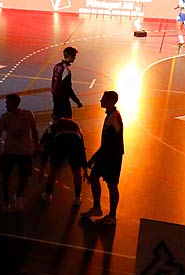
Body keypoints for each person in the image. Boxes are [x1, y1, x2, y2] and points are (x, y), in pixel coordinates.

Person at [0, 92, 40, 212]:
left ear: (15, 104)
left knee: (24, 178)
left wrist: (36, 147)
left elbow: (34, 131)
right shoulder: (5, 117)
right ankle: (6, 200)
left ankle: (18, 196)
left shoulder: (28, 115)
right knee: (5, 178)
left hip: (24, 152)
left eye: (8, 104)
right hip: (9, 152)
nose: (6, 106)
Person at [84, 90, 125, 224]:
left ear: (110, 101)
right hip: (106, 154)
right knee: (94, 177)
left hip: (112, 156)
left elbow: (109, 143)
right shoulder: (110, 116)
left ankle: (112, 216)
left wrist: (94, 158)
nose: (100, 101)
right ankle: (97, 208)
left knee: (112, 184)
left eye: (103, 98)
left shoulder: (114, 118)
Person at [39, 115, 87, 208]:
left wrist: (42, 168)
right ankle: (77, 198)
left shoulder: (52, 126)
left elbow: (47, 148)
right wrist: (85, 169)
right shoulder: (76, 125)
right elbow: (81, 148)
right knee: (77, 172)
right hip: (75, 141)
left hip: (59, 141)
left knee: (54, 171)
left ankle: (48, 196)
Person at [50, 47, 82, 120]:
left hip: (55, 98)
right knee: (68, 120)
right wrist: (77, 101)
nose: (75, 58)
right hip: (63, 100)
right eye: (74, 56)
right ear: (70, 56)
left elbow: (54, 82)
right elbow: (68, 89)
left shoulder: (57, 66)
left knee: (55, 118)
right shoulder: (66, 71)